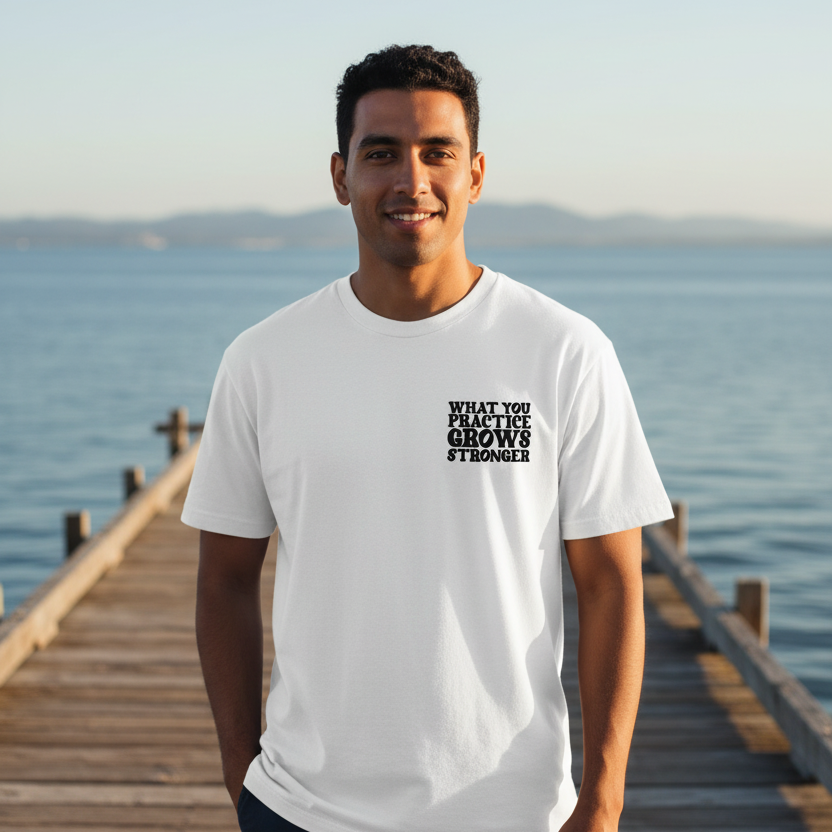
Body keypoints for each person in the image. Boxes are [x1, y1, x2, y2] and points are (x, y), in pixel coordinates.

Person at [183, 44, 673, 832]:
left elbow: (612, 585)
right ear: (341, 176)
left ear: (475, 174)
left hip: (512, 814)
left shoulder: (564, 352)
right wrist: (242, 774)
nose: (411, 181)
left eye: (437, 153)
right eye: (381, 154)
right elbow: (223, 581)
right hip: (301, 809)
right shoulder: (262, 361)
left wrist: (604, 801)